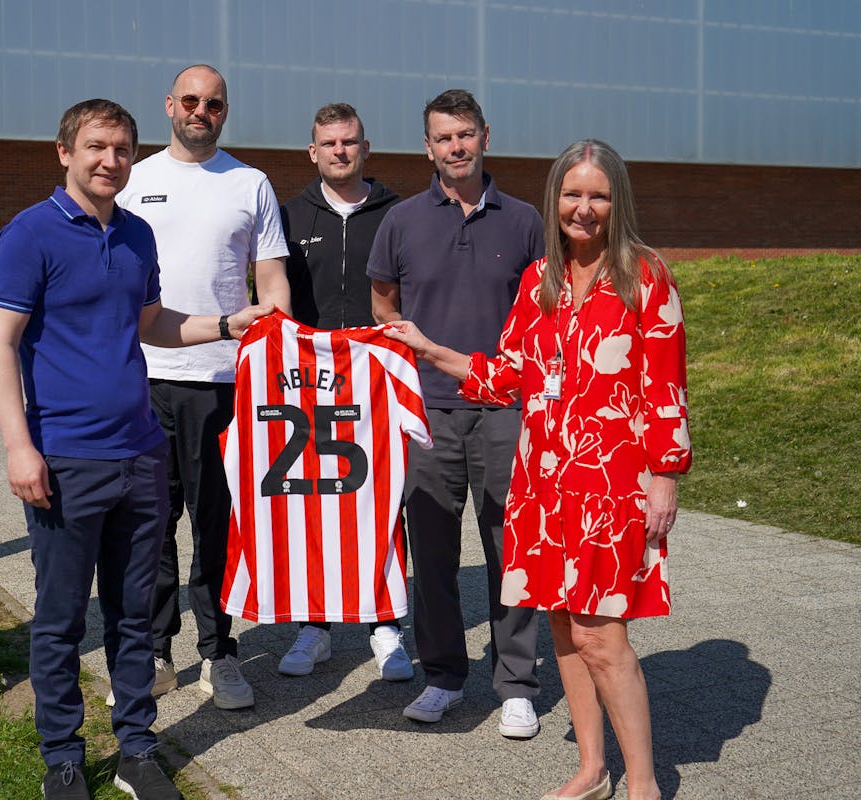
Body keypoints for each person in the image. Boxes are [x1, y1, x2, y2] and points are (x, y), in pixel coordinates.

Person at [384, 139, 691, 800]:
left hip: (613, 483)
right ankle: (590, 769)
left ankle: (644, 785)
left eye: (599, 195)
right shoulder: (539, 281)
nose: (585, 208)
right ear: (555, 200)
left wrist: (665, 475)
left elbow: (667, 386)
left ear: (618, 202)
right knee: (563, 627)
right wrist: (432, 350)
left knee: (602, 635)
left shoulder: (645, 275)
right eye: (573, 194)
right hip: (545, 481)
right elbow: (510, 377)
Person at [0, 98, 271, 800]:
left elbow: (152, 322)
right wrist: (20, 447)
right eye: (96, 147)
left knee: (133, 615)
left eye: (119, 148)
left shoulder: (138, 235)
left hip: (141, 454)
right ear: (65, 152)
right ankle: (63, 758)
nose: (109, 159)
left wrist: (230, 322)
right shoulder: (30, 235)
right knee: (59, 620)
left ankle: (137, 749)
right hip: (65, 458)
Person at [367, 89, 545, 734]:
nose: (456, 146)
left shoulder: (525, 220)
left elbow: (546, 315)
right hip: (427, 412)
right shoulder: (403, 219)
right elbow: (383, 304)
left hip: (506, 409)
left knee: (512, 548)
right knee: (433, 552)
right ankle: (443, 675)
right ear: (428, 146)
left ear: (485, 137)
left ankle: (517, 682)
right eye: (444, 138)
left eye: (465, 134)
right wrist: (413, 356)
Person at [117, 64, 290, 710]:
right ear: (169, 105)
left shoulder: (251, 185)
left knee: (217, 526)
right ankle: (157, 651)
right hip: (144, 378)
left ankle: (220, 651)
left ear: (225, 111)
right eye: (189, 100)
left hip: (222, 383)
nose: (200, 110)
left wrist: (275, 340)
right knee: (151, 525)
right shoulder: (136, 179)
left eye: (213, 103)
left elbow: (273, 286)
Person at [275, 102, 412, 680]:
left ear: (366, 148)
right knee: (315, 503)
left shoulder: (400, 214)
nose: (339, 151)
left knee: (382, 502)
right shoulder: (287, 215)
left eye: (349, 142)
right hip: (308, 385)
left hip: (378, 383)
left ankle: (385, 625)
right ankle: (315, 627)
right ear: (313, 152)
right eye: (328, 143)